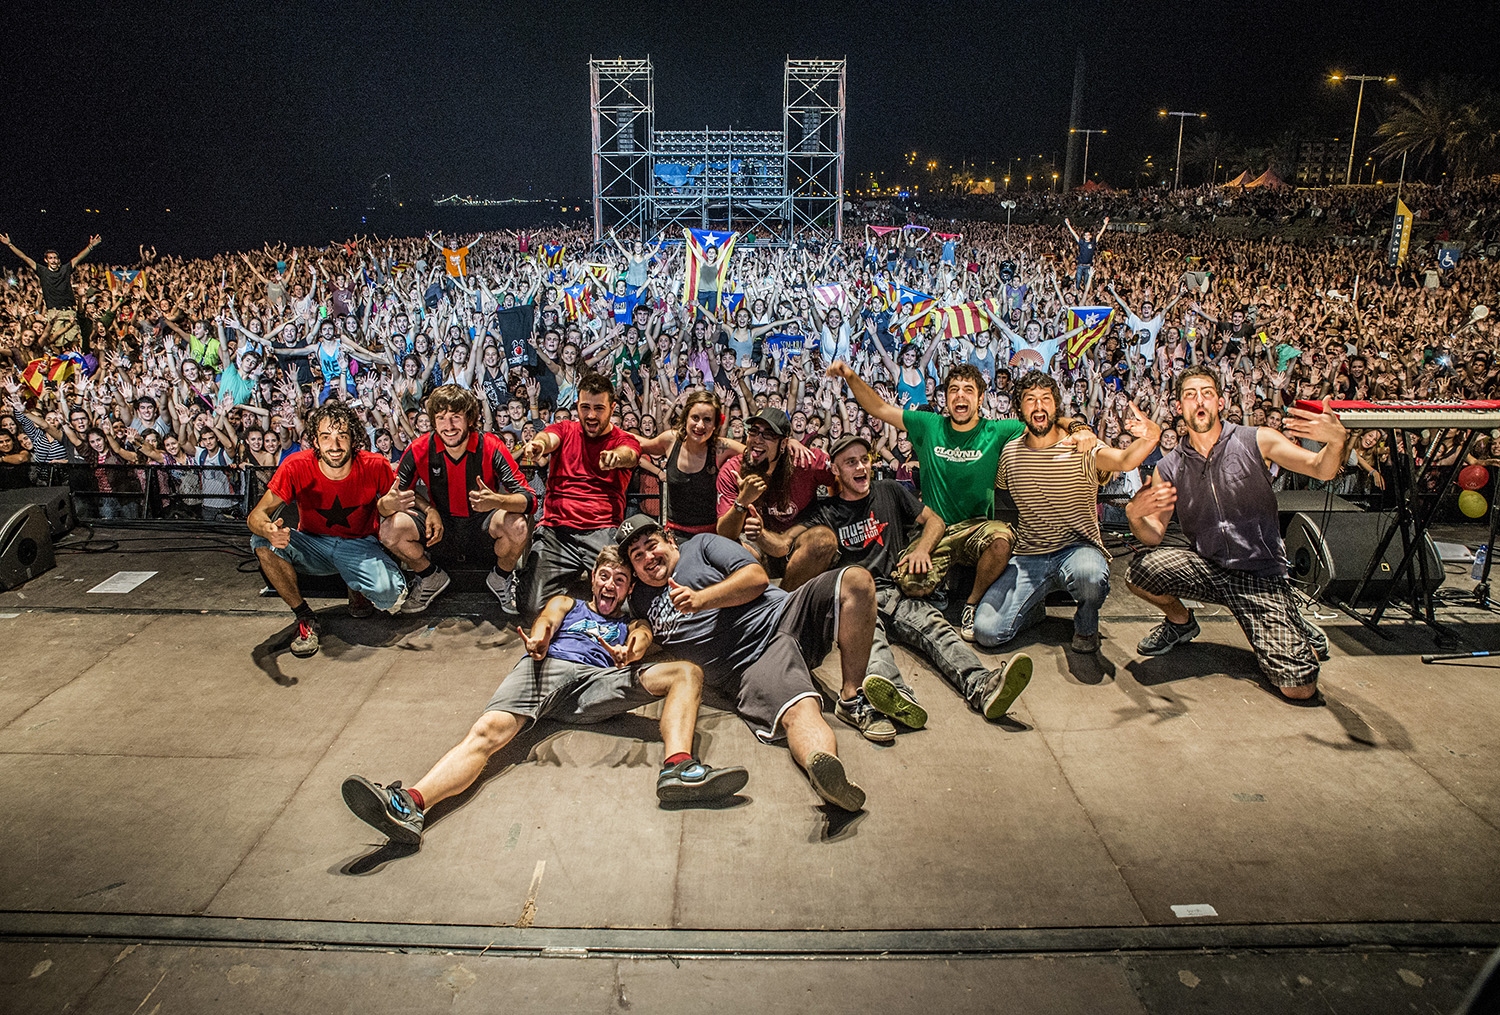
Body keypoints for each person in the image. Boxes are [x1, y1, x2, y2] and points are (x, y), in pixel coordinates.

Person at [341, 545, 748, 845]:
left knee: (687, 672)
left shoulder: (632, 621)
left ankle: (678, 768)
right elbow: (547, 620)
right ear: (594, 578)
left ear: (627, 591)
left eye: (620, 581)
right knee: (488, 733)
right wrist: (538, 642)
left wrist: (630, 652)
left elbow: (641, 638)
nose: (610, 584)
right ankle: (410, 804)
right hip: (546, 668)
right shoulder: (569, 602)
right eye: (605, 576)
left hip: (596, 685)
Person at [618, 513, 873, 812]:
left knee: (856, 581)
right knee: (799, 710)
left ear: (671, 541)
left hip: (784, 614)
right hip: (749, 664)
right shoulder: (640, 599)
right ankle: (828, 774)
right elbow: (642, 632)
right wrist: (632, 647)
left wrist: (702, 599)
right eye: (637, 556)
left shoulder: (701, 545)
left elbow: (756, 577)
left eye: (652, 545)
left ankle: (851, 696)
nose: (648, 557)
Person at [1123, 367, 1346, 705]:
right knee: (1141, 573)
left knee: (1299, 688)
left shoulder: (1257, 439)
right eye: (1190, 395)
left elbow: (1320, 469)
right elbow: (1152, 536)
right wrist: (1134, 516)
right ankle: (1181, 623)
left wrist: (1336, 442)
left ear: (1221, 402)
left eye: (1207, 393)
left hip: (1260, 576)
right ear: (1179, 408)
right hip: (1209, 567)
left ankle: (1290, 620)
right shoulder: (1168, 467)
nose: (1199, 400)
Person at [827, 360, 1094, 640]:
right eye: (953, 390)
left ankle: (972, 603)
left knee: (1002, 540)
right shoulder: (929, 425)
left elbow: (1042, 420)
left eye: (968, 390)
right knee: (910, 582)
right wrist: (850, 375)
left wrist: (1078, 427)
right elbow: (879, 408)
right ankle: (938, 586)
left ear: (980, 398)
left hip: (976, 529)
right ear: (945, 398)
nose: (960, 395)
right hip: (935, 530)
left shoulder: (996, 430)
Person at [791, 434, 1035, 730]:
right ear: (836, 470)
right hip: (857, 602)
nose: (861, 467)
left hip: (897, 589)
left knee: (938, 630)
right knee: (872, 648)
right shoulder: (825, 511)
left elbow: (935, 521)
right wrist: (757, 529)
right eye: (850, 462)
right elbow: (785, 543)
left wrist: (922, 550)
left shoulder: (888, 490)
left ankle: (983, 686)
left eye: (864, 460)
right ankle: (896, 696)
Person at [975, 371, 1161, 652]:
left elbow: (1124, 460)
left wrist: (1151, 437)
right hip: (1029, 556)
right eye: (1030, 399)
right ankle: (1032, 611)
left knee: (1090, 577)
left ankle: (1086, 626)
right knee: (987, 632)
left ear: (1056, 406)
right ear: (1019, 408)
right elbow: (998, 486)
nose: (1038, 406)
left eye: (1045, 399)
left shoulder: (1082, 445)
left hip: (1078, 550)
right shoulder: (1010, 454)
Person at [246, 400, 408, 657]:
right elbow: (256, 515)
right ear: (316, 441)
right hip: (313, 544)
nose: (334, 445)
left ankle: (356, 585)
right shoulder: (296, 465)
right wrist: (269, 530)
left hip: (359, 544)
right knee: (260, 542)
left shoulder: (374, 464)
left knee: (390, 595)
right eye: (326, 437)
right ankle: (304, 617)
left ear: (353, 439)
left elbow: (396, 505)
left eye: (342, 436)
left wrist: (393, 508)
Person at [377, 385, 535, 615]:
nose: (449, 426)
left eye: (456, 417)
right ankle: (429, 577)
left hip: (483, 526)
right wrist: (427, 509)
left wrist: (497, 500)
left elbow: (529, 499)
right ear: (433, 421)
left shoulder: (490, 445)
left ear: (469, 419)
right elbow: (390, 500)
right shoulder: (420, 448)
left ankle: (501, 577)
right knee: (390, 529)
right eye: (441, 418)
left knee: (518, 525)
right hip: (440, 527)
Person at [516, 372, 640, 619]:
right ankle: (575, 603)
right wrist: (539, 445)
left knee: (625, 608)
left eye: (599, 408)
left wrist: (616, 457)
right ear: (577, 406)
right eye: (585, 407)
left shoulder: (623, 439)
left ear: (612, 407)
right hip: (557, 532)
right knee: (530, 608)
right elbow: (548, 438)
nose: (591, 415)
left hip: (602, 530)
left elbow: (630, 454)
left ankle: (577, 602)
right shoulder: (565, 429)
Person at [714, 407, 838, 591]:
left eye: (768, 434)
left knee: (824, 540)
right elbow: (724, 533)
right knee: (725, 551)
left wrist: (832, 511)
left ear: (783, 443)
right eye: (754, 431)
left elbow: (837, 478)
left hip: (797, 542)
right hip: (755, 543)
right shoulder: (733, 470)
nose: (758, 439)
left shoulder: (805, 461)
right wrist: (742, 502)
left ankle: (785, 601)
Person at [1, 232, 101, 349]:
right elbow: (24, 257)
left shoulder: (65, 269)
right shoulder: (42, 271)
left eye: (55, 258)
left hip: (70, 311)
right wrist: (9, 244)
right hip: (54, 313)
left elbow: (79, 257)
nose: (53, 260)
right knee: (55, 343)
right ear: (46, 260)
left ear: (58, 260)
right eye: (50, 258)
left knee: (74, 342)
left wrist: (91, 246)